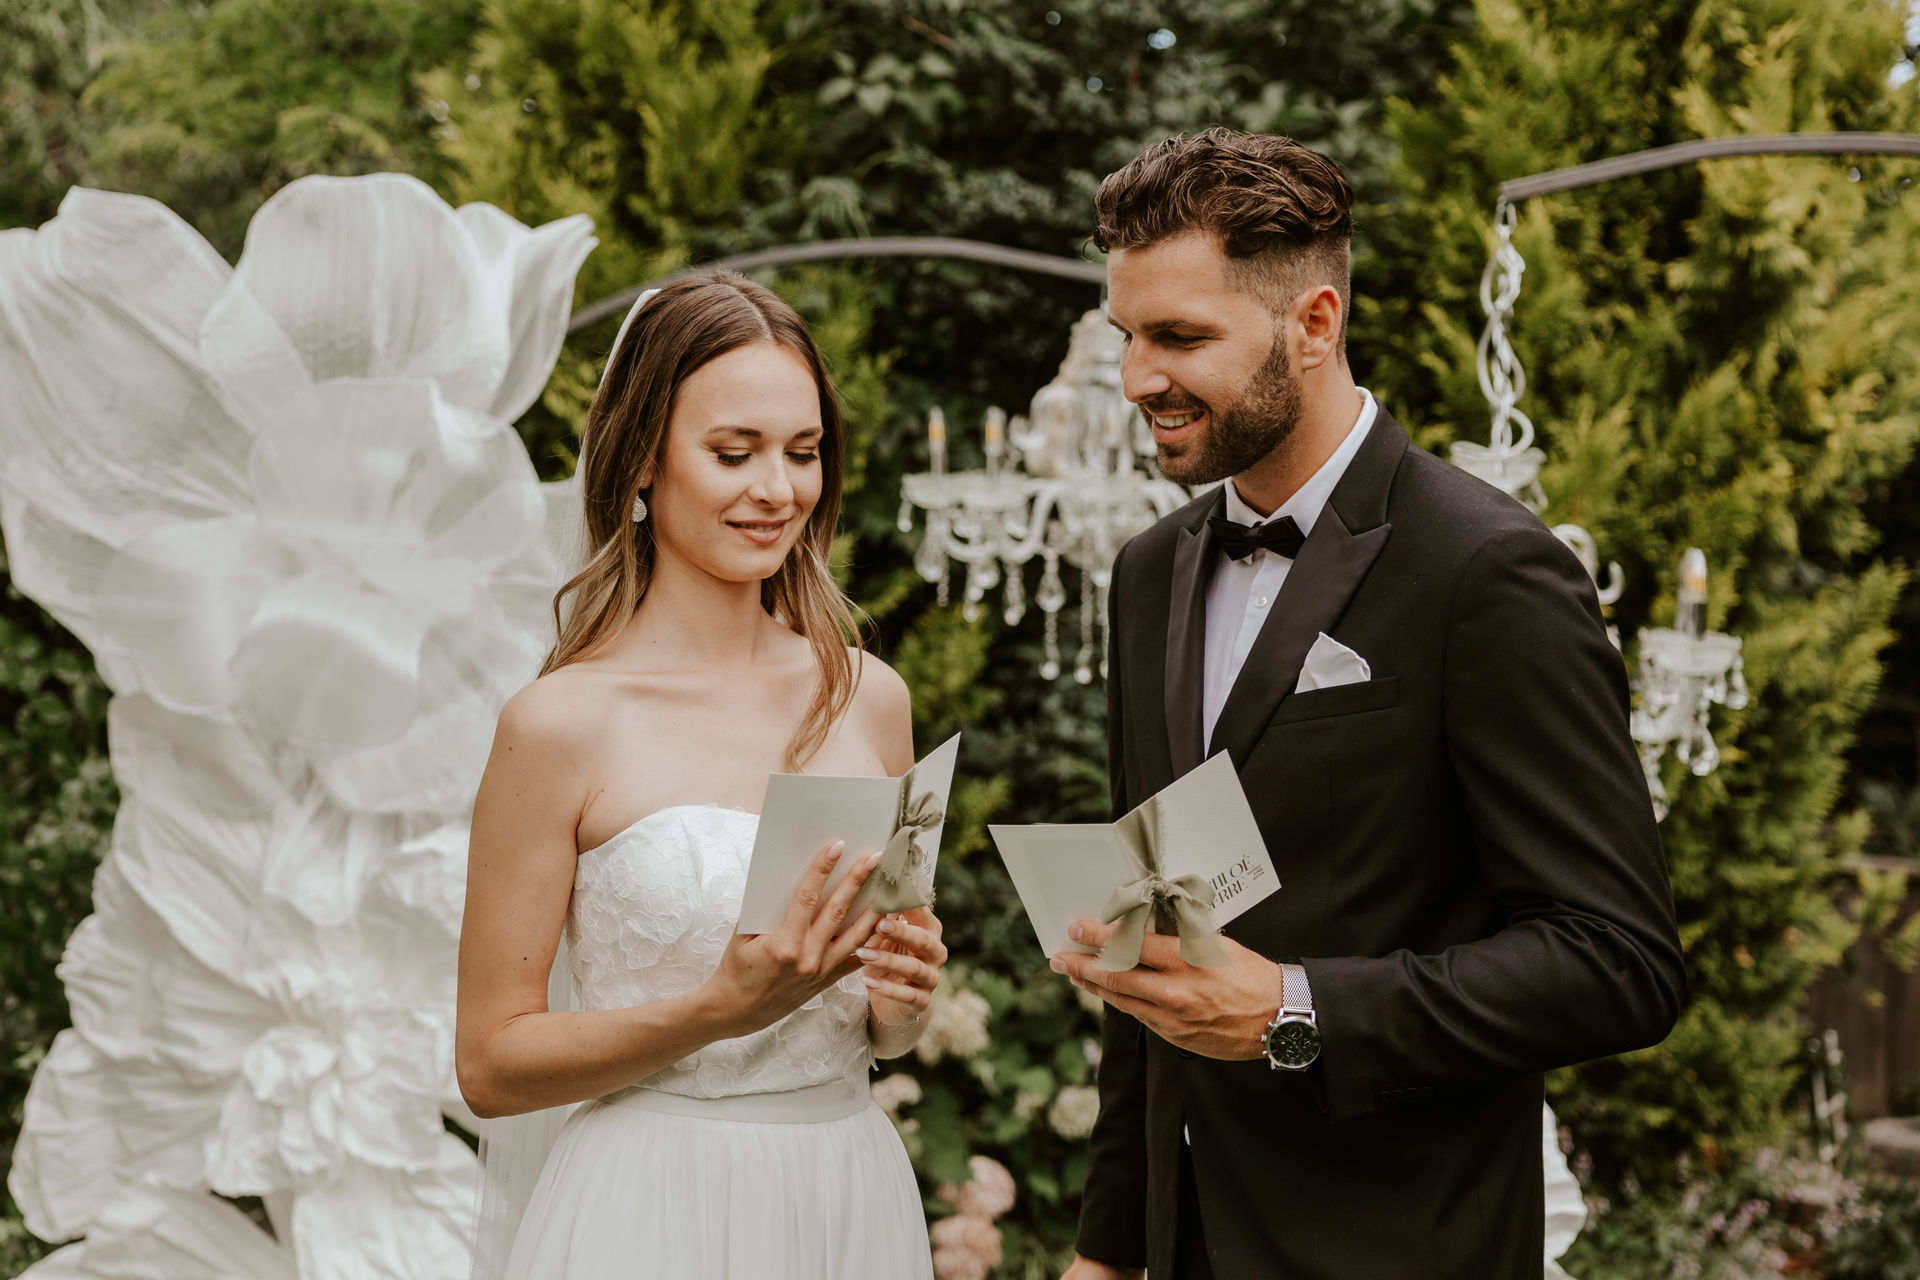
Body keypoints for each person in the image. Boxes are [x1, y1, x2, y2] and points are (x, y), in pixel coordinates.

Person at [1052, 131, 1687, 1280]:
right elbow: (1161, 937)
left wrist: (1297, 1007)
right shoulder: (1149, 571)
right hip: (1185, 1241)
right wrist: (1108, 1247)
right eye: (1128, 337)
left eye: (1180, 336)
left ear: (1315, 323)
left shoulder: (1487, 568)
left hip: (1406, 1244)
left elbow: (1620, 959)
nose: (1140, 378)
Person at [455, 270, 943, 1280]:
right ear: (642, 462)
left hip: (845, 1190)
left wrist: (903, 995)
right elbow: (491, 1063)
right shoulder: (557, 723)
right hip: (649, 1206)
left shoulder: (871, 697)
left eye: (803, 452)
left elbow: (878, 1027)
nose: (779, 490)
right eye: (735, 452)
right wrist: (720, 1006)